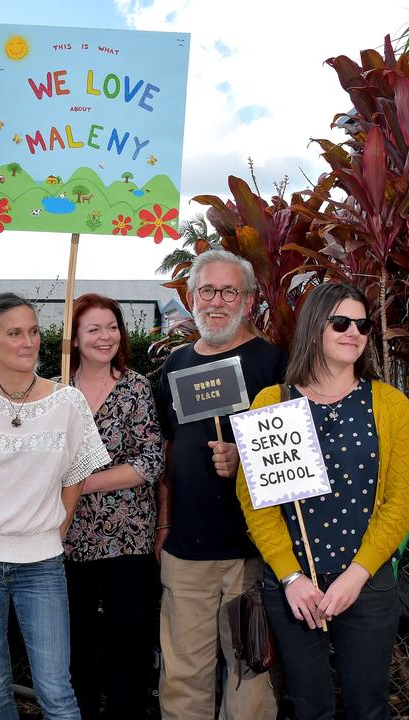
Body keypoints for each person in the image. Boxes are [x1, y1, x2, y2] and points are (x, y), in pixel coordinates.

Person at [236, 282, 409, 719]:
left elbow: (401, 500)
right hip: (295, 590)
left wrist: (357, 575)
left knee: (368, 708)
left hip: (367, 584)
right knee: (308, 709)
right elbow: (257, 503)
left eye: (362, 324)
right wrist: (290, 577)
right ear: (314, 328)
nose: (353, 332)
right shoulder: (272, 402)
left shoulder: (389, 404)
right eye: (341, 322)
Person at [0, 292, 110, 720]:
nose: (28, 342)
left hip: (43, 563)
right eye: (15, 333)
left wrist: (56, 533)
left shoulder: (67, 402)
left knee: (56, 692)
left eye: (33, 332)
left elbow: (75, 476)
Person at [155, 250, 284, 720]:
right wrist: (163, 523)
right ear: (191, 298)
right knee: (182, 672)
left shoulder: (273, 362)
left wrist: (245, 461)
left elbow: (293, 456)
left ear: (247, 301)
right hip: (186, 552)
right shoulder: (175, 364)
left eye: (229, 291)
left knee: (249, 670)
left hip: (249, 553)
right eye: (207, 290)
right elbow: (167, 452)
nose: (217, 301)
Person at [60, 293, 163, 719]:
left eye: (112, 327)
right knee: (75, 643)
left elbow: (150, 460)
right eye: (93, 329)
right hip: (69, 539)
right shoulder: (56, 392)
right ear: (75, 338)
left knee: (128, 643)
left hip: (129, 538)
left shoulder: (136, 386)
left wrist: (82, 483)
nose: (105, 337)